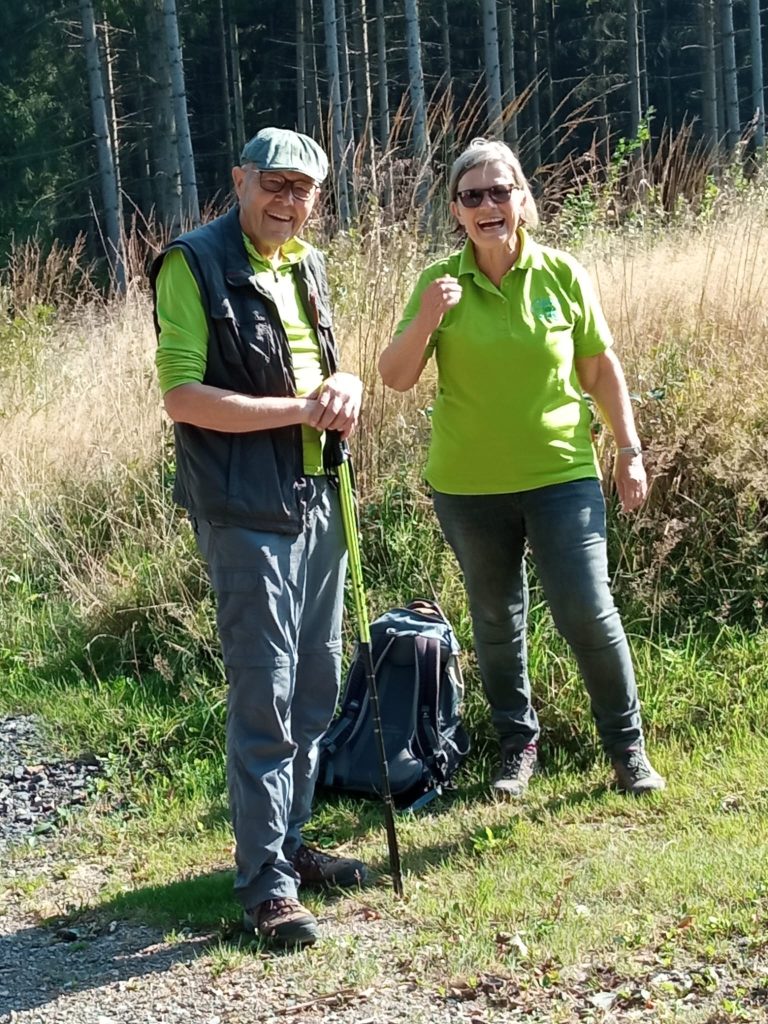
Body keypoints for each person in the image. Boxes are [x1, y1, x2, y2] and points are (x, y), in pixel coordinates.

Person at [379, 138, 665, 799]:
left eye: (499, 191)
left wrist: (630, 452)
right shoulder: (437, 283)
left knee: (587, 610)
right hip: (468, 487)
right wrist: (428, 317)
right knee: (496, 619)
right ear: (456, 210)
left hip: (562, 475)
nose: (487, 205)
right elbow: (395, 378)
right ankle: (517, 748)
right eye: (471, 195)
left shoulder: (563, 275)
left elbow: (599, 370)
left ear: (523, 201)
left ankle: (627, 751)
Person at [150, 127, 368, 948]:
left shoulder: (303, 261)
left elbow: (326, 369)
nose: (288, 201)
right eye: (274, 184)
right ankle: (267, 888)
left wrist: (342, 384)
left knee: (315, 684)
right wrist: (300, 410)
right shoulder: (194, 263)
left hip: (317, 497)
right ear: (239, 178)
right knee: (266, 695)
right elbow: (184, 397)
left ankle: (293, 843)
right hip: (244, 508)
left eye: (304, 190)